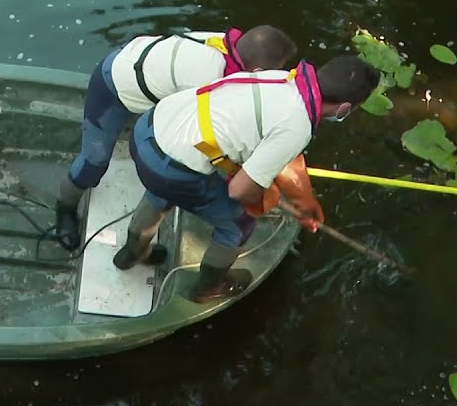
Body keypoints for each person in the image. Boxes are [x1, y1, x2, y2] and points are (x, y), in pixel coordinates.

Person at [114, 55, 380, 302]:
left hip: (149, 131)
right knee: (238, 225)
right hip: (170, 167)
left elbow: (287, 154)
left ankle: (132, 253)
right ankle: (209, 287)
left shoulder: (281, 79)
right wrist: (263, 201)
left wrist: (305, 201)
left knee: (164, 188)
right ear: (345, 107)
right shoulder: (297, 125)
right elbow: (240, 191)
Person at [55, 25, 297, 250]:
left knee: (165, 177)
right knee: (93, 163)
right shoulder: (210, 78)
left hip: (153, 79)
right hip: (113, 85)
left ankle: (136, 244)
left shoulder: (230, 47)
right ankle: (64, 209)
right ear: (255, 71)